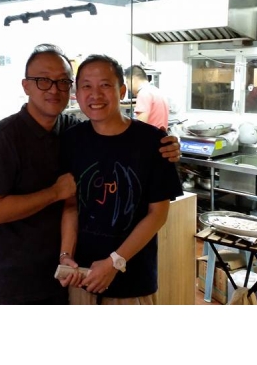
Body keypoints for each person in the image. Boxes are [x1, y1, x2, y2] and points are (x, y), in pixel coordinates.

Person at [0, 44, 181, 305]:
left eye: (62, 81)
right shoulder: (4, 138)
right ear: (26, 86)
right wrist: (55, 194)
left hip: (76, 277)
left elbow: (156, 212)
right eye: (43, 80)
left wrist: (169, 145)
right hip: (17, 280)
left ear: (121, 91)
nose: (53, 89)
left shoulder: (71, 131)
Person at [58, 54, 183, 305]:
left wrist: (115, 262)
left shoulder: (153, 143)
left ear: (122, 91)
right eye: (86, 86)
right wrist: (65, 255)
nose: (95, 94)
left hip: (132, 280)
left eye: (105, 85)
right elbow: (71, 206)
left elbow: (158, 214)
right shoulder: (71, 140)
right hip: (81, 276)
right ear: (77, 93)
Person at [123, 65, 170, 129]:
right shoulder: (158, 92)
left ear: (133, 79)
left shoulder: (143, 93)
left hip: (150, 135)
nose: (128, 87)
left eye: (127, 82)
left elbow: (140, 126)